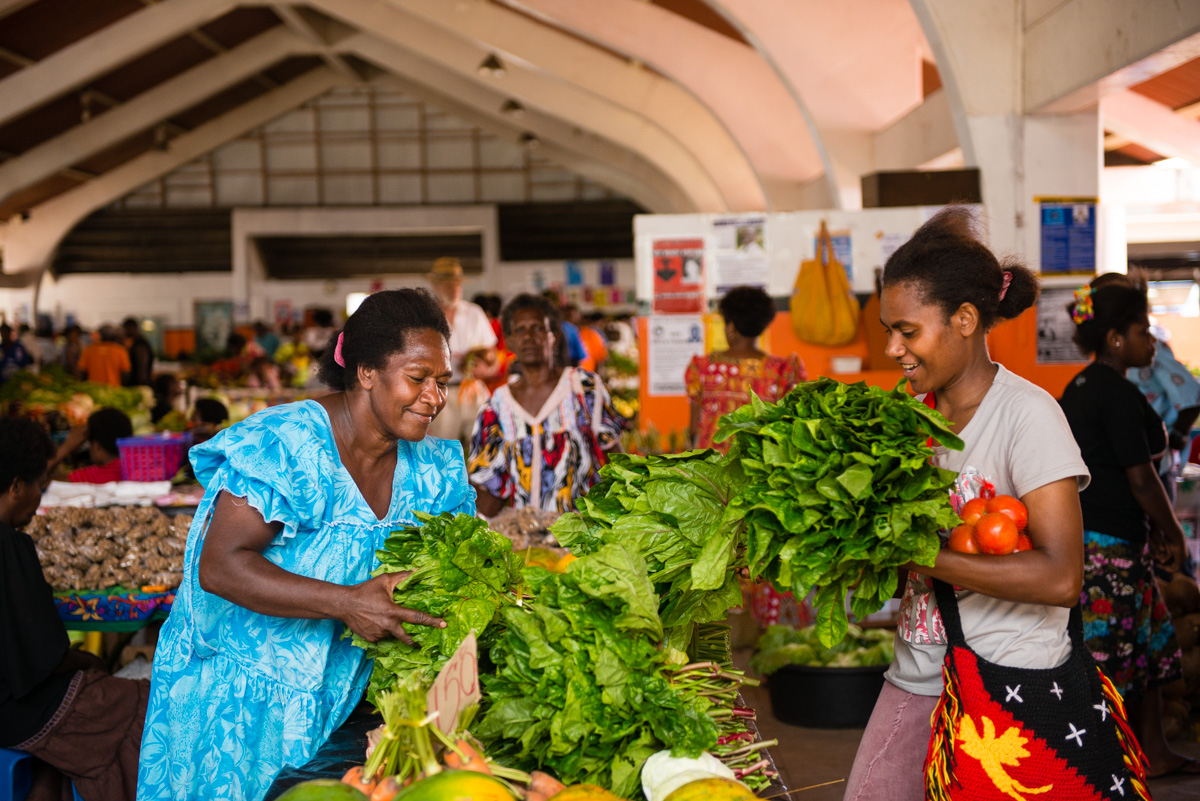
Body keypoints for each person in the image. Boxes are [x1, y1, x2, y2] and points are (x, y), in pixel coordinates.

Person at [137, 289, 473, 801]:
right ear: (365, 372)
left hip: (340, 702)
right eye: (418, 378)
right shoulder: (287, 445)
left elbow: (451, 568)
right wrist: (348, 602)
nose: (435, 398)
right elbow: (220, 566)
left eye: (443, 381)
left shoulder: (432, 468)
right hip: (241, 698)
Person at [843, 208, 1091, 801]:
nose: (892, 348)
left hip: (1011, 682)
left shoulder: (1028, 416)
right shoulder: (912, 422)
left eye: (907, 330)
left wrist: (921, 554)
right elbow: (901, 564)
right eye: (888, 330)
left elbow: (1061, 577)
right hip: (919, 673)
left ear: (964, 319)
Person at [1059, 283, 1200, 778]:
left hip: (1118, 542)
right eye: (1144, 331)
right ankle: (1100, 765)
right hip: (1107, 549)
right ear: (1116, 339)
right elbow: (1140, 478)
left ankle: (1155, 751)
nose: (1153, 341)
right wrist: (1174, 533)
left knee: (1151, 645)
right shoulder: (1113, 392)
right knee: (1109, 660)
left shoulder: (1080, 387)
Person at [0, 417, 149, 801]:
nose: (40, 498)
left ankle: (48, 781)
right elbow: (45, 658)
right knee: (141, 704)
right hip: (15, 713)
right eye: (39, 486)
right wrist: (88, 661)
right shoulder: (10, 546)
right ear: (16, 487)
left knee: (63, 755)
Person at [468, 294, 625, 516]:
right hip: (527, 538)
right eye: (520, 330)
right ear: (510, 341)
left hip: (584, 532)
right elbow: (493, 488)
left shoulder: (585, 388)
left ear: (554, 336)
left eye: (538, 328)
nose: (529, 337)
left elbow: (616, 460)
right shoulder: (496, 407)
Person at [685, 286, 806, 452]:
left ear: (731, 327)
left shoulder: (702, 367)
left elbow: (693, 430)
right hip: (759, 467)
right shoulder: (782, 370)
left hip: (711, 467)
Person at [426, 257, 498, 443]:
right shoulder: (425, 316)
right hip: (440, 392)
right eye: (448, 284)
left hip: (474, 390)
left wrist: (487, 370)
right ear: (435, 285)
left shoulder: (474, 312)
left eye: (458, 284)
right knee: (441, 452)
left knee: (485, 446)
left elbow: (494, 357)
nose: (455, 288)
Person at [46, 408, 133, 484]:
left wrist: (67, 446)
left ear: (97, 447)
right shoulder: (139, 470)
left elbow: (38, 484)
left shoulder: (92, 476)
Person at [122, 317, 154, 387]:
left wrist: (141, 384)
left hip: (139, 384)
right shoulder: (136, 342)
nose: (124, 332)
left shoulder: (140, 344)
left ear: (131, 328)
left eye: (125, 329)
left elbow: (142, 364)